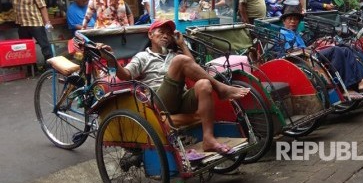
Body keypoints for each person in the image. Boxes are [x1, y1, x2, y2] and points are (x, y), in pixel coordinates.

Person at [97, 19, 250, 153]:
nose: (165, 35)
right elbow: (126, 75)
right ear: (150, 35)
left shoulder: (175, 55)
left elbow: (194, 67)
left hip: (180, 99)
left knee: (204, 84)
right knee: (180, 62)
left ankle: (208, 138)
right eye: (161, 32)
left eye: (168, 33)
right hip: (158, 100)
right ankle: (221, 88)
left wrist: (182, 44)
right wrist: (112, 59)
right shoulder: (142, 56)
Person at [278, 8, 363, 99]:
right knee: (335, 51)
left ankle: (361, 80)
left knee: (345, 48)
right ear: (284, 21)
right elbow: (291, 52)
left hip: (308, 53)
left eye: (295, 19)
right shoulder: (283, 34)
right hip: (301, 59)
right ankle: (346, 87)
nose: (293, 21)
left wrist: (313, 46)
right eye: (290, 19)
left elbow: (303, 47)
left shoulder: (296, 34)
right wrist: (309, 50)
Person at [10, 0, 53, 65]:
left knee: (44, 46)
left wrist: (47, 22)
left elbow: (42, 7)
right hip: (22, 24)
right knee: (25, 48)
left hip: (35, 23)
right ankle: (30, 68)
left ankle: (51, 67)